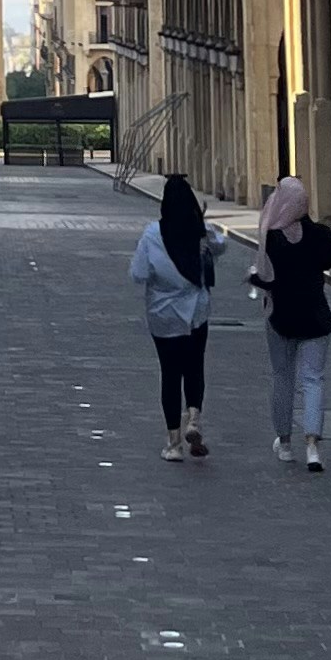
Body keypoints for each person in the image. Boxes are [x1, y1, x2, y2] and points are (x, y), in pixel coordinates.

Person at [251, 175, 331, 471]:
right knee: (313, 380)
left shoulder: (272, 237)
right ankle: (313, 445)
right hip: (316, 317)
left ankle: (285, 442)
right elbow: (330, 260)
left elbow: (264, 276)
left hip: (281, 318)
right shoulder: (322, 236)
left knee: (282, 378)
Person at [130, 172, 219, 459]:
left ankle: (173, 443)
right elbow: (222, 245)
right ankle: (193, 416)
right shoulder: (199, 232)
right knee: (195, 368)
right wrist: (203, 227)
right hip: (197, 313)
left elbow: (138, 272)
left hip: (164, 315)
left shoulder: (152, 234)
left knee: (170, 375)